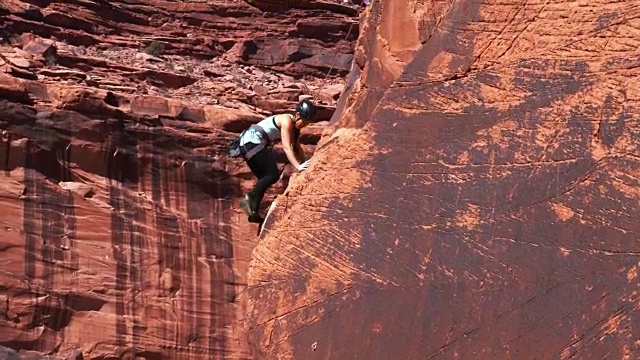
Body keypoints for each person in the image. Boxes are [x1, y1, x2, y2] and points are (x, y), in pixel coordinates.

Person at [237, 99, 317, 222]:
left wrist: (305, 165)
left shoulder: (295, 129)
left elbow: (296, 148)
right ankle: (249, 198)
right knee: (272, 174)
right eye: (304, 121)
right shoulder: (287, 120)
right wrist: (298, 167)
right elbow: (286, 146)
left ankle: (253, 213)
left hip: (249, 143)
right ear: (297, 115)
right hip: (251, 141)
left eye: (307, 123)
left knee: (265, 178)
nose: (304, 124)